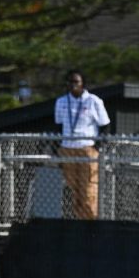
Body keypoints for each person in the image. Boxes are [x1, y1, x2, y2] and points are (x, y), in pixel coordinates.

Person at [54, 70, 110, 220]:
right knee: (73, 188)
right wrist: (59, 146)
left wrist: (96, 147)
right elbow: (58, 125)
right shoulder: (61, 102)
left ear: (83, 83)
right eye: (70, 82)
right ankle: (78, 220)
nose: (72, 85)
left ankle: (90, 222)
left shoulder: (93, 101)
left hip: (87, 148)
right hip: (67, 148)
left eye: (76, 82)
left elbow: (105, 125)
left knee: (88, 188)